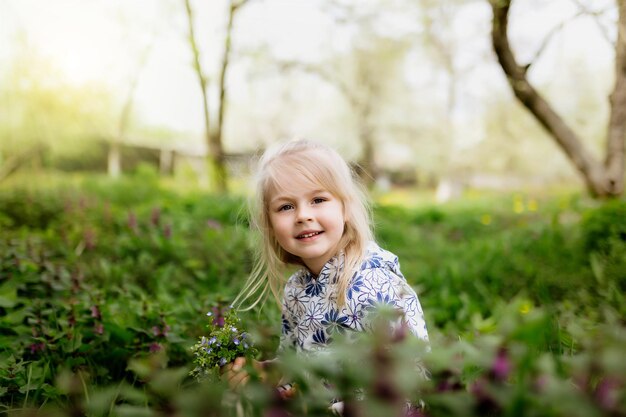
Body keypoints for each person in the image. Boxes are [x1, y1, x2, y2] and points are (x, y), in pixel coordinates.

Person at [231, 139, 429, 401]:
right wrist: (268, 372)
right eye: (286, 206)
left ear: (345, 208)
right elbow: (297, 360)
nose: (302, 215)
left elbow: (409, 383)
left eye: (318, 199)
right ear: (269, 222)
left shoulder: (372, 284)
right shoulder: (297, 288)